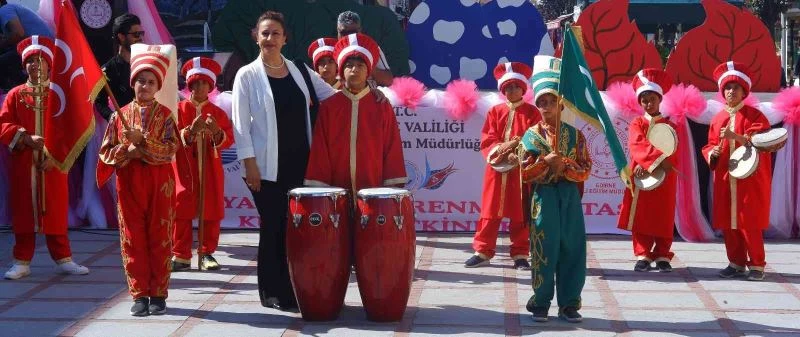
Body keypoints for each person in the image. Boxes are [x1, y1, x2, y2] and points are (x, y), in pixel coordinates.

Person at [231, 11, 339, 312]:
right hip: (265, 167)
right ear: (256, 36)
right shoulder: (247, 75)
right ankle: (272, 291)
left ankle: (294, 286)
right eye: (264, 33)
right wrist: (249, 164)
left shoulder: (300, 70)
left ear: (285, 38)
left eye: (275, 33)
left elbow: (334, 98)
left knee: (296, 229)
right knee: (274, 227)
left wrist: (374, 96)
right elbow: (240, 124)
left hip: (300, 163)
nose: (269, 39)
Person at [98, 46, 178, 316]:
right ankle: (139, 293)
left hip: (159, 182)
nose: (145, 86)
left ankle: (158, 293)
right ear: (133, 84)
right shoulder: (117, 116)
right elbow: (106, 153)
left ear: (158, 86)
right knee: (132, 236)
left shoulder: (166, 116)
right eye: (140, 81)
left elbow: (170, 150)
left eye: (151, 82)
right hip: (130, 182)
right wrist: (126, 151)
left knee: (159, 234)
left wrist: (144, 141)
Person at [0, 35, 89, 280]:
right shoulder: (15, 95)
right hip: (23, 164)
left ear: (49, 64)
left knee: (56, 210)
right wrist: (25, 138)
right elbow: (3, 123)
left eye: (40, 60)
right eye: (30, 61)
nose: (35, 65)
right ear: (23, 65)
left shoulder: (59, 94)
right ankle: (21, 261)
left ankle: (64, 259)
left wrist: (56, 156)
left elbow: (70, 128)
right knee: (24, 211)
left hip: (53, 164)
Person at [520, 55, 591, 323]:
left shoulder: (576, 135)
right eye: (542, 103)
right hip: (544, 197)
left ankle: (570, 303)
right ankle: (540, 301)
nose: (547, 107)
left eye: (551, 101)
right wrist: (546, 163)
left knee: (572, 248)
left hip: (569, 196)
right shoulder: (530, 136)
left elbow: (586, 168)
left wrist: (567, 167)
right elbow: (524, 173)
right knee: (543, 248)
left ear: (560, 103)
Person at [303, 33, 407, 192]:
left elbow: (392, 146)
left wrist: (391, 186)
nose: (354, 70)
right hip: (336, 192)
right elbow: (320, 148)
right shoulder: (329, 107)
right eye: (349, 65)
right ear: (341, 70)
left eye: (360, 66)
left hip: (373, 190)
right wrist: (321, 187)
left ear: (368, 71)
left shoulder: (381, 106)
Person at [464, 62, 539, 270]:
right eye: (507, 87)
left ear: (523, 88)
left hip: (522, 171)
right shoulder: (495, 112)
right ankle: (483, 251)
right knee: (490, 211)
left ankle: (520, 253)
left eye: (515, 86)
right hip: (496, 170)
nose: (511, 91)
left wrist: (519, 153)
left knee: (520, 213)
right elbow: (488, 140)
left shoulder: (533, 113)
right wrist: (502, 149)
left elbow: (536, 139)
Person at [701, 61, 772, 281]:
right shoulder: (718, 118)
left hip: (749, 179)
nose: (731, 92)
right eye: (727, 88)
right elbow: (709, 145)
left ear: (744, 92)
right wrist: (711, 153)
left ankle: (757, 265)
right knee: (728, 223)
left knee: (747, 222)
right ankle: (736, 262)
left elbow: (762, 142)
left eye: (736, 88)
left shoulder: (755, 116)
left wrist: (737, 138)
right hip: (725, 177)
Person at [171, 57, 233, 272]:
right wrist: (190, 131)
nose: (199, 88)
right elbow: (171, 138)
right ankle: (181, 254)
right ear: (189, 86)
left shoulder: (218, 113)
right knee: (181, 209)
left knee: (210, 209)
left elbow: (228, 139)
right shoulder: (178, 110)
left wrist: (216, 131)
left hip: (210, 170)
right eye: (195, 84)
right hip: (184, 168)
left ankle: (207, 252)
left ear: (211, 86)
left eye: (204, 83)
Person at [617, 68, 678, 273]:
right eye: (644, 100)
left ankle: (662, 254)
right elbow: (637, 144)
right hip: (642, 172)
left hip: (665, 175)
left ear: (660, 99)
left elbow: (675, 150)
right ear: (639, 102)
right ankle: (642, 253)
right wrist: (650, 164)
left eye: (652, 99)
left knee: (663, 214)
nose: (649, 103)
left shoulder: (670, 125)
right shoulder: (637, 123)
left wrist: (666, 162)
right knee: (641, 215)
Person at [93, 14, 144, 121]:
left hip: (151, 123)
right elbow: (99, 101)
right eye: (136, 34)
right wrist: (113, 117)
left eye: (141, 33)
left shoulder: (147, 62)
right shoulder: (108, 70)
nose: (140, 38)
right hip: (127, 127)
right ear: (121, 37)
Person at [0, 0, 53, 89]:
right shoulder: (12, 8)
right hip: (43, 47)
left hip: (40, 48)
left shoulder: (5, 10)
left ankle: (12, 91)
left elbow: (18, 34)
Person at [336, 11, 393, 86]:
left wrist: (366, 63)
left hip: (370, 94)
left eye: (353, 32)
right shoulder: (330, 51)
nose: (349, 36)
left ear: (360, 30)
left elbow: (388, 80)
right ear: (338, 30)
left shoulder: (372, 48)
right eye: (344, 33)